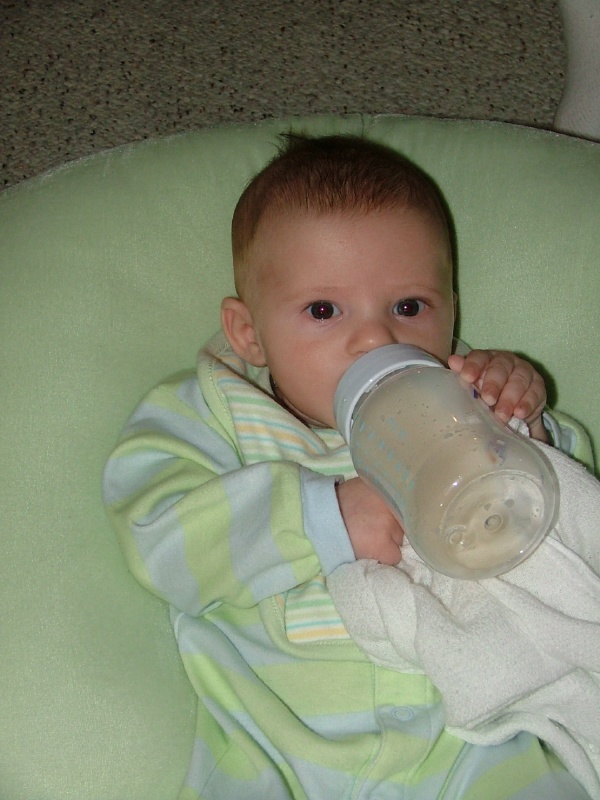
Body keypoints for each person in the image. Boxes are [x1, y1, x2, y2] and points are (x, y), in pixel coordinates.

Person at [103, 134, 589, 799]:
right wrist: (321, 517)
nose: (375, 338)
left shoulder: (464, 398)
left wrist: (524, 421)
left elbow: (566, 518)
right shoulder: (211, 413)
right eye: (323, 311)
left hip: (468, 735)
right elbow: (161, 541)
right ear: (249, 333)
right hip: (276, 744)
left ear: (452, 309)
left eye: (409, 307)